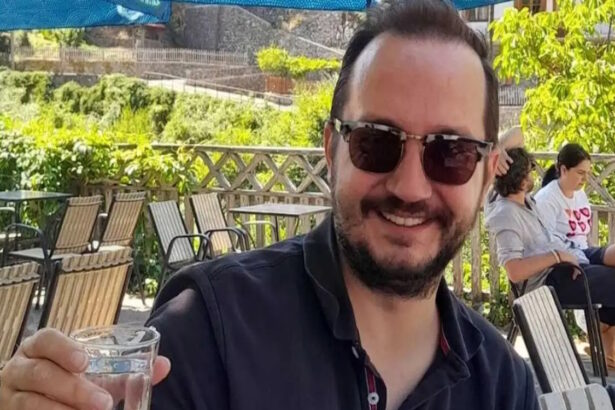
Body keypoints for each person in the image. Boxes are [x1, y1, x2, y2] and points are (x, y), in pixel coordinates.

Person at [0, 1, 540, 409]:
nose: (411, 187)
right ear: (331, 150)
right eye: (376, 142)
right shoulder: (211, 331)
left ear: (487, 172)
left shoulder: (504, 387)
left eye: (451, 153)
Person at [485, 147, 615, 369]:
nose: (533, 175)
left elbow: (515, 135)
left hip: (568, 261)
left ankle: (605, 342)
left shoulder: (525, 202)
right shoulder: (505, 214)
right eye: (529, 171)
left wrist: (498, 153)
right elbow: (514, 271)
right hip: (548, 279)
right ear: (520, 178)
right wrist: (557, 257)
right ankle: (605, 340)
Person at [536, 143, 615, 267]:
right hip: (565, 260)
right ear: (563, 170)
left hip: (584, 252)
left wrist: (597, 255)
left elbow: (585, 235)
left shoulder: (580, 194)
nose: (585, 179)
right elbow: (544, 244)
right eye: (580, 173)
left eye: (587, 173)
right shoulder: (546, 199)